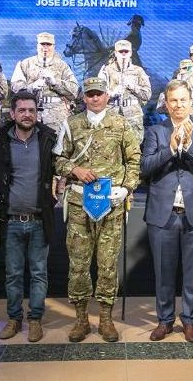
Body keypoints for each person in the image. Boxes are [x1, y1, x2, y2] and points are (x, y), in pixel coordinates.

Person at [55, 77, 141, 343]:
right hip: (80, 205)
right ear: (84, 97)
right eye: (90, 94)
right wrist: (74, 170)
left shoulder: (121, 124)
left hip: (111, 205)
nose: (95, 98)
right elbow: (58, 159)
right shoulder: (71, 125)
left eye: (99, 94)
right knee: (79, 265)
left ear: (107, 96)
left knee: (107, 265)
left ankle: (105, 319)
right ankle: (81, 320)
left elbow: (134, 158)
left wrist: (127, 187)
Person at [141, 80, 193, 342]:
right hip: (163, 214)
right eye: (173, 100)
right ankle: (165, 321)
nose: (178, 105)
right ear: (166, 102)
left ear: (191, 100)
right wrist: (172, 147)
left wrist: (188, 144)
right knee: (163, 273)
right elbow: (147, 167)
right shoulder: (155, 131)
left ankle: (190, 321)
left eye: (183, 99)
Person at [0, 90, 57, 342]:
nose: (27, 115)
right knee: (13, 274)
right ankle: (14, 318)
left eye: (31, 110)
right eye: (22, 110)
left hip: (40, 220)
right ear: (12, 113)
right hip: (11, 221)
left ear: (37, 113)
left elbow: (59, 169)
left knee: (39, 273)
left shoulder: (49, 139)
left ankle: (35, 319)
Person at [11, 32, 79, 135]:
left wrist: (55, 83)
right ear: (37, 46)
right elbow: (15, 86)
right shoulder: (25, 64)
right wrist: (32, 87)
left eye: (49, 44)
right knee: (32, 147)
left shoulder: (62, 66)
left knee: (55, 147)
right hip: (30, 113)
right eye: (43, 44)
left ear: (54, 46)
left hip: (57, 116)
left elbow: (74, 90)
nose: (45, 48)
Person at [97, 39, 151, 141]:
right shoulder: (107, 70)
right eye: (121, 51)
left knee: (133, 151)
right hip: (112, 115)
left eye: (126, 51)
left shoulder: (138, 71)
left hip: (133, 117)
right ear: (115, 53)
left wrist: (132, 86)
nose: (123, 54)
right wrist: (111, 93)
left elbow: (147, 95)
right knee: (111, 149)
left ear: (130, 53)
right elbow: (98, 96)